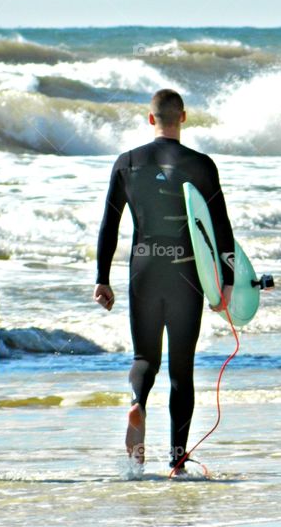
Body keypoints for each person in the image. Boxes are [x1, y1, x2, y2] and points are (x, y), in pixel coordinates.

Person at [94, 89, 236, 472]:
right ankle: (177, 462)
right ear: (183, 118)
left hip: (143, 266)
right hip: (185, 271)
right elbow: (221, 226)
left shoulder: (127, 163)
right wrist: (228, 280)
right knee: (182, 369)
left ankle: (138, 401)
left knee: (144, 357)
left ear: (150, 118)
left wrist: (102, 278)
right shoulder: (202, 165)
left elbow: (110, 224)